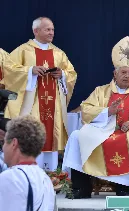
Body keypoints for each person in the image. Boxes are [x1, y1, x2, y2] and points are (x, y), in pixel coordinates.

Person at [62, 36, 129, 198]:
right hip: (101, 131)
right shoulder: (101, 91)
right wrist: (107, 112)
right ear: (115, 73)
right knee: (77, 136)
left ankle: (124, 188)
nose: (126, 76)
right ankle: (81, 187)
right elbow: (86, 109)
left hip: (127, 132)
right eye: (123, 72)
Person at [2, 17, 77, 171]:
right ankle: (32, 172)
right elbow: (8, 70)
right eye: (47, 29)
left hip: (52, 105)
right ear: (36, 31)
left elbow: (72, 73)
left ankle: (54, 176)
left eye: (53, 30)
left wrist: (61, 74)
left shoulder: (58, 53)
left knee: (51, 137)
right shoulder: (23, 50)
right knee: (33, 133)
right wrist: (30, 71)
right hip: (33, 106)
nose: (51, 33)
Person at [0, 115, 59, 211]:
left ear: (14, 143)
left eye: (4, 142)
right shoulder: (43, 177)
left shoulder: (11, 178)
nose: (3, 148)